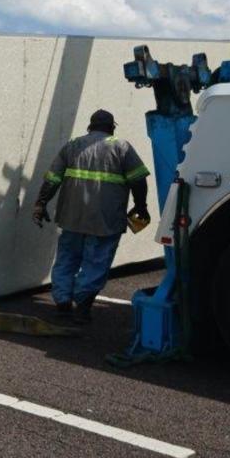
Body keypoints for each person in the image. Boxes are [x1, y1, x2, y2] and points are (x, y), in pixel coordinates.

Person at [33, 109, 150, 323]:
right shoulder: (121, 147)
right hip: (105, 220)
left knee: (67, 259)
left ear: (90, 126)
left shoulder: (72, 146)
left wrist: (40, 205)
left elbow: (52, 179)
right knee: (95, 262)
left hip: (71, 218)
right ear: (112, 127)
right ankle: (83, 307)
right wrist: (141, 206)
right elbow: (138, 180)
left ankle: (62, 304)